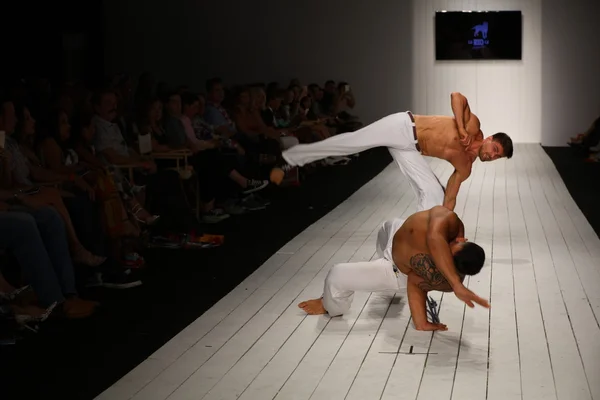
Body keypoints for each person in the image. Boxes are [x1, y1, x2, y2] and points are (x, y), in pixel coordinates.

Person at [271, 92, 513, 211]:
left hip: (410, 149)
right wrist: (460, 126)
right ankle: (290, 159)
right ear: (489, 139)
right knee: (353, 142)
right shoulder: (473, 126)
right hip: (403, 126)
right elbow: (457, 96)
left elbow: (450, 198)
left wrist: (451, 230)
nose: (492, 155)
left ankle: (424, 237)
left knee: (435, 195)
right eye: (495, 149)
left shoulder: (465, 167)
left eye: (496, 156)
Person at [298, 206, 488, 331]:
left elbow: (415, 283)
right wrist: (457, 285)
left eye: (448, 254)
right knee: (388, 224)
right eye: (451, 245)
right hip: (395, 231)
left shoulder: (443, 278)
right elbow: (434, 237)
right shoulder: (449, 220)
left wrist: (421, 322)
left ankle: (329, 305)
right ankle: (379, 258)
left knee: (336, 274)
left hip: (394, 270)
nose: (444, 250)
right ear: (462, 240)